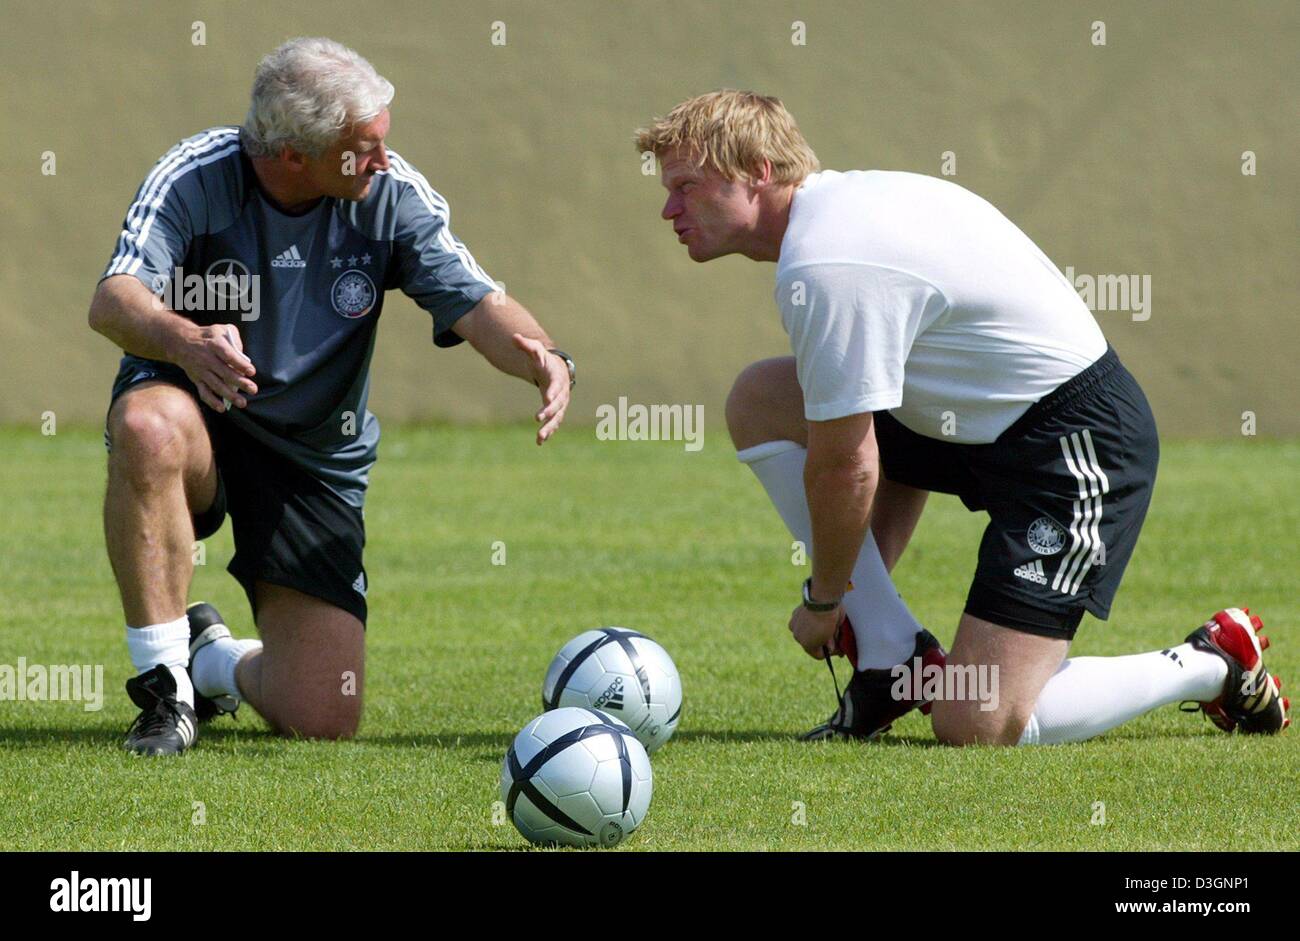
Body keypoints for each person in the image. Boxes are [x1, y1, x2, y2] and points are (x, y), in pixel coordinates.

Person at [633, 90, 1288, 745]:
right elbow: (877, 434)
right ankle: (895, 658)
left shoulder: (828, 259)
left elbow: (848, 466)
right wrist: (864, 597)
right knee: (763, 398)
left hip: (1072, 447)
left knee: (974, 721)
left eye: (686, 187)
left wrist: (826, 599)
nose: (669, 209)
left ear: (759, 171)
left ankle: (1213, 661)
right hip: (975, 426)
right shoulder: (834, 220)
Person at [90, 37, 575, 755]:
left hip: (313, 457)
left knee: (322, 712)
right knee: (147, 423)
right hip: (200, 416)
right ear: (294, 155)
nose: (383, 159)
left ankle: (210, 658)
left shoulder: (390, 194)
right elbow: (112, 300)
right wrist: (184, 339)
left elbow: (478, 303)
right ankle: (165, 693)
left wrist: (545, 357)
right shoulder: (194, 176)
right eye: (365, 147)